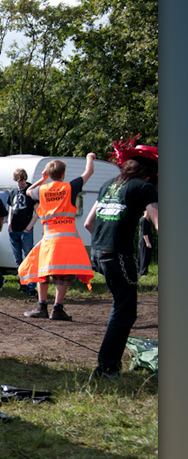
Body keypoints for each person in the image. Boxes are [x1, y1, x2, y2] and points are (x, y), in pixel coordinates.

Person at [84, 145, 158, 378]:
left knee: (121, 308)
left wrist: (104, 243)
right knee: (125, 312)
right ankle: (106, 367)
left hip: (99, 253)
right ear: (148, 174)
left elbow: (88, 223)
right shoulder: (144, 187)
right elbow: (158, 221)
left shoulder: (108, 185)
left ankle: (108, 364)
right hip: (118, 256)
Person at [18, 153, 97, 321]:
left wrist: (42, 179)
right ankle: (57, 309)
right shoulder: (70, 187)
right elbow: (89, 171)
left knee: (43, 271)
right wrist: (89, 157)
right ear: (63, 173)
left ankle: (42, 306)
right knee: (64, 274)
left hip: (49, 238)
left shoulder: (42, 190)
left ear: (49, 174)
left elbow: (28, 191)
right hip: (69, 239)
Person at [7, 168, 39, 295]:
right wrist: (9, 224)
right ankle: (23, 283)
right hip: (14, 228)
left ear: (25, 179)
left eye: (21, 181)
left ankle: (31, 286)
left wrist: (29, 227)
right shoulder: (13, 192)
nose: (19, 184)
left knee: (28, 257)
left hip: (25, 230)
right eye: (17, 181)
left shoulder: (30, 191)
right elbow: (11, 208)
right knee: (18, 259)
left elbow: (38, 211)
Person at [137, 211, 154, 276]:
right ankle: (143, 272)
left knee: (145, 256)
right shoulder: (143, 220)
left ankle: (143, 270)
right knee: (144, 256)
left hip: (146, 241)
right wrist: (147, 242)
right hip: (145, 241)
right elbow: (144, 232)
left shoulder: (147, 220)